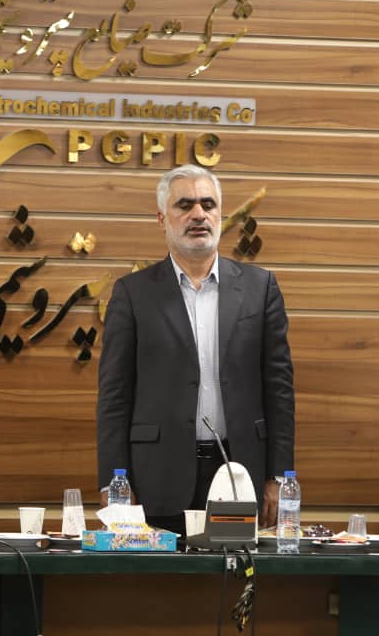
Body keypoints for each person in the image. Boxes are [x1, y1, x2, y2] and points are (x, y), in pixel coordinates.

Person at [97, 164, 295, 534]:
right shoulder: (133, 293)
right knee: (160, 572)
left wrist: (279, 476)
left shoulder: (260, 288)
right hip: (156, 476)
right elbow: (114, 396)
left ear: (220, 214)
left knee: (240, 568)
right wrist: (114, 482)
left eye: (208, 204)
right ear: (162, 219)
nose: (199, 214)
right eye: (184, 205)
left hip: (241, 473)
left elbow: (279, 390)